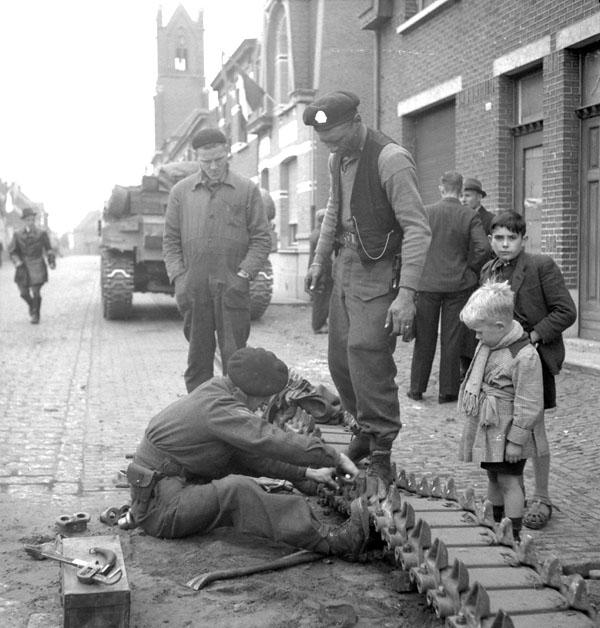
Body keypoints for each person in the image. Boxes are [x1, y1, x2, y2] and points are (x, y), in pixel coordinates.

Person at [128, 347, 369, 560]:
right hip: (160, 511)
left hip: (168, 493)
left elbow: (247, 457)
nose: (261, 407)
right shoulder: (219, 408)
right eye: (262, 400)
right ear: (245, 392)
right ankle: (333, 541)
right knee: (237, 490)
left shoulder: (218, 390)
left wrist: (305, 472)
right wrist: (334, 456)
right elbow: (270, 439)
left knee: (237, 478)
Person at [303, 90, 432, 484]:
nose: (331, 146)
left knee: (367, 355)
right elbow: (332, 217)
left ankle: (381, 449)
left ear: (356, 122)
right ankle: (362, 430)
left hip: (379, 274)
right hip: (345, 268)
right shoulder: (335, 157)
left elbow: (418, 229)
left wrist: (406, 294)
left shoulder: (391, 160)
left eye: (336, 137)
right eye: (325, 141)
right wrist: (319, 260)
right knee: (341, 357)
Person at [480, 210, 577, 530]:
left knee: (534, 428)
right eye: (499, 238)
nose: (505, 244)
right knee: (503, 426)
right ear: (490, 240)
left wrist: (532, 337)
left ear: (524, 239)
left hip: (531, 358)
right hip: (498, 362)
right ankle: (513, 492)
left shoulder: (540, 266)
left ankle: (543, 497)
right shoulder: (488, 270)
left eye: (512, 238)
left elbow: (566, 310)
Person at [163, 128, 272, 393]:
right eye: (205, 161)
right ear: (196, 157)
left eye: (218, 160)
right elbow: (170, 241)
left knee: (236, 361)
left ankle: (234, 418)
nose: (212, 167)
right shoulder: (180, 192)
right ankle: (200, 416)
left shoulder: (247, 190)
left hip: (232, 288)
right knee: (198, 360)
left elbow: (261, 238)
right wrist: (180, 278)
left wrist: (244, 274)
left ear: (227, 153)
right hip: (194, 290)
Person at [458, 281, 546, 542]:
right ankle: (495, 525)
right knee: (493, 477)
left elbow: (529, 403)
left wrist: (516, 442)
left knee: (510, 482)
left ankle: (513, 534)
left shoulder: (524, 355)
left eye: (479, 332)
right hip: (491, 428)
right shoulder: (490, 344)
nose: (476, 337)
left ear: (499, 326)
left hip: (508, 432)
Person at [408, 171, 490, 403]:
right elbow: (483, 247)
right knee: (452, 338)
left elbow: (414, 242)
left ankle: (416, 388)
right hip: (458, 284)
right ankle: (448, 391)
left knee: (424, 337)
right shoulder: (468, 215)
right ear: (460, 188)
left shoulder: (427, 212)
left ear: (441, 188)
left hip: (427, 284)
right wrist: (470, 269)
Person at [459, 177, 495, 376]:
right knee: (464, 323)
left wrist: (474, 269)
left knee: (480, 322)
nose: (464, 199)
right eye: (462, 195)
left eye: (468, 195)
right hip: (462, 280)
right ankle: (464, 365)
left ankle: (479, 365)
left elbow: (490, 250)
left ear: (479, 197)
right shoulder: (460, 217)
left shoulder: (489, 220)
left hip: (480, 279)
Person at [8, 207, 56, 324]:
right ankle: (32, 306)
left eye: (32, 219)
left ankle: (36, 315)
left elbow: (49, 249)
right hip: (22, 266)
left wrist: (51, 261)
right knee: (23, 293)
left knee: (36, 292)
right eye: (28, 220)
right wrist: (17, 261)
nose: (30, 222)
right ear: (24, 221)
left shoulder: (41, 233)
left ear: (34, 220)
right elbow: (12, 251)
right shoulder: (17, 234)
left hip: (37, 264)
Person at [308, 209, 333, 333]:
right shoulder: (320, 235)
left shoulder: (314, 232)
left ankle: (319, 324)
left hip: (318, 271)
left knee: (319, 299)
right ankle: (318, 325)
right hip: (323, 272)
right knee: (322, 300)